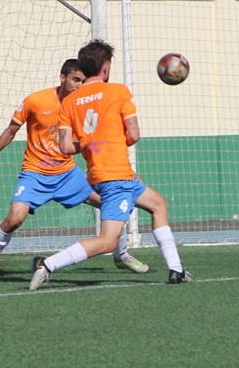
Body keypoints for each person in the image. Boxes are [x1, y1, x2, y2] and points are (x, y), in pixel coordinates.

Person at [0, 58, 148, 279]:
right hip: (35, 174)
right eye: (75, 80)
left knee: (112, 202)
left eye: (83, 80)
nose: (79, 85)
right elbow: (10, 131)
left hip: (68, 174)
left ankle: (121, 255)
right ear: (63, 78)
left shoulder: (83, 105)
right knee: (14, 219)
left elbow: (98, 141)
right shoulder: (36, 101)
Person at [30, 39, 192, 289]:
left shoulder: (69, 102)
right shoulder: (119, 91)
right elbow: (133, 135)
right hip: (116, 176)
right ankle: (48, 264)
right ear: (105, 68)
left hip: (103, 174)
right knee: (107, 241)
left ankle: (176, 269)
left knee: (158, 205)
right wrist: (113, 140)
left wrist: (91, 142)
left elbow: (65, 148)